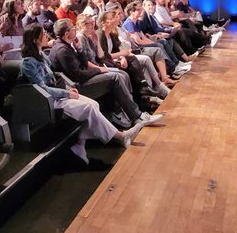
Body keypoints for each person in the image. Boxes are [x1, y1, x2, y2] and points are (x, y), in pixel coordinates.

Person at [19, 26, 150, 168]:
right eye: (43, 34)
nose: (46, 35)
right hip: (47, 99)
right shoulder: (28, 62)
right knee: (89, 108)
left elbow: (55, 78)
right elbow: (42, 88)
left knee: (94, 105)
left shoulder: (42, 55)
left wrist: (67, 88)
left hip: (58, 93)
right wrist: (66, 93)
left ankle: (80, 143)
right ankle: (121, 136)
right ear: (35, 40)